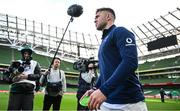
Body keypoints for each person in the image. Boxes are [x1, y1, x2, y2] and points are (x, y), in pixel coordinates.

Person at [81, 8, 148, 111]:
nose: (94, 20)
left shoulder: (119, 31)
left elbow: (130, 62)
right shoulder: (103, 41)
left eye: (97, 16)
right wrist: (95, 88)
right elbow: (104, 73)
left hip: (127, 103)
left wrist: (104, 90)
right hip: (106, 101)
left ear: (108, 17)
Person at [7, 44, 41, 110]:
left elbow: (39, 75)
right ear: (22, 53)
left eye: (28, 53)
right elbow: (7, 75)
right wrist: (14, 78)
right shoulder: (16, 62)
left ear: (31, 54)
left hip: (29, 91)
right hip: (15, 90)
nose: (26, 55)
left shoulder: (35, 63)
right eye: (25, 53)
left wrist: (27, 76)